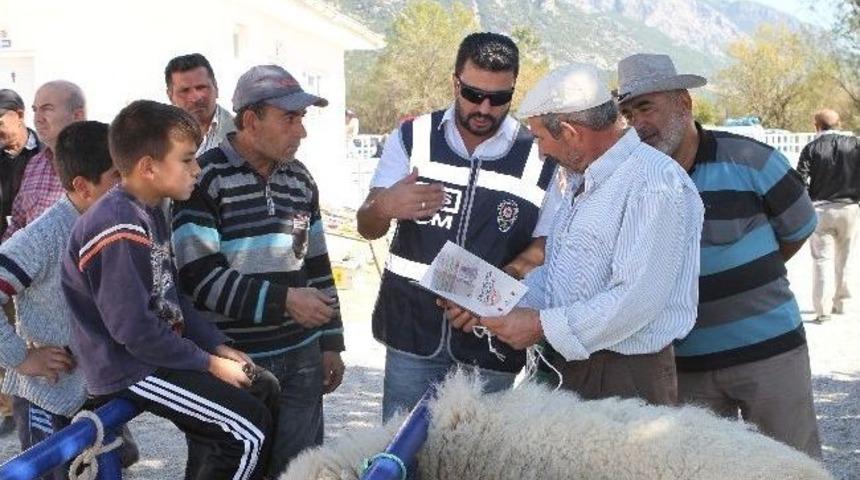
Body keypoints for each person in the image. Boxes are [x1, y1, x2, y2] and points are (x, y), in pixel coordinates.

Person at [616, 53, 821, 457]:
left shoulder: (752, 160)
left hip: (771, 355)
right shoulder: (633, 182)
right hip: (687, 367)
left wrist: (746, 274)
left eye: (646, 107)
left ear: (684, 103)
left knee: (794, 465)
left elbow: (798, 229)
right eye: (628, 112)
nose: (638, 124)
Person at [61, 101, 274, 479]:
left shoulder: (148, 210)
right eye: (188, 160)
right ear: (149, 167)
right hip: (131, 365)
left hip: (156, 352)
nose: (197, 169)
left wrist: (218, 346)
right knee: (247, 432)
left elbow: (170, 299)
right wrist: (211, 365)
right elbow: (134, 331)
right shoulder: (117, 225)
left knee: (262, 388)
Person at [356, 32, 558, 421]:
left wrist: (489, 292)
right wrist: (383, 205)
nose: (484, 107)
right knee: (398, 455)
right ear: (455, 82)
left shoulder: (538, 154)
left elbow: (545, 246)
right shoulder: (412, 137)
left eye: (499, 98)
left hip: (490, 345)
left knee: (472, 461)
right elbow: (368, 226)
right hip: (411, 334)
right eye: (473, 94)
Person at [478, 64, 703, 406]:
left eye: (540, 137)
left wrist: (540, 326)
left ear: (570, 132)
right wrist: (501, 301)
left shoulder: (654, 184)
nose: (540, 151)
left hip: (625, 377)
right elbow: (559, 274)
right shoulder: (579, 179)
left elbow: (635, 301)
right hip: (569, 364)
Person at [171, 64, 343, 475]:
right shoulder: (203, 177)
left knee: (300, 469)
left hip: (301, 359)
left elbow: (316, 265)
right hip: (236, 366)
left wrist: (330, 342)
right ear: (250, 120)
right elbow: (199, 277)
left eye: (302, 118)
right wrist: (285, 301)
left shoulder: (301, 179)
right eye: (290, 118)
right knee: (233, 468)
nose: (301, 131)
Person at [0, 121, 136, 478]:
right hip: (49, 394)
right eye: (116, 176)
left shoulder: (113, 220)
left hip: (97, 389)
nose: (128, 185)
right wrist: (21, 357)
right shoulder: (42, 237)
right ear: (82, 186)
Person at [0, 88, 43, 436]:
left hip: (39, 261)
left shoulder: (45, 154)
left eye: (0, 119)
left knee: (38, 336)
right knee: (5, 330)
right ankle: (8, 406)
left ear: (18, 114)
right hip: (4, 258)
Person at [2, 81, 86, 242]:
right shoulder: (35, 164)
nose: (37, 119)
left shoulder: (104, 162)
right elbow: (17, 225)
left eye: (47, 108)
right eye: (35, 110)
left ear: (77, 116)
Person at [797, 109, 859, 323]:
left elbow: (800, 181)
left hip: (821, 210)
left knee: (821, 259)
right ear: (839, 123)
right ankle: (841, 303)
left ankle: (822, 311)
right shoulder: (855, 145)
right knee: (846, 257)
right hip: (849, 209)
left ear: (816, 125)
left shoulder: (811, 148)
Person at [165, 53, 235, 156]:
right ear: (170, 96)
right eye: (185, 90)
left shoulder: (240, 133)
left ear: (216, 88)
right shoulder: (162, 139)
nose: (195, 98)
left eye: (201, 87)